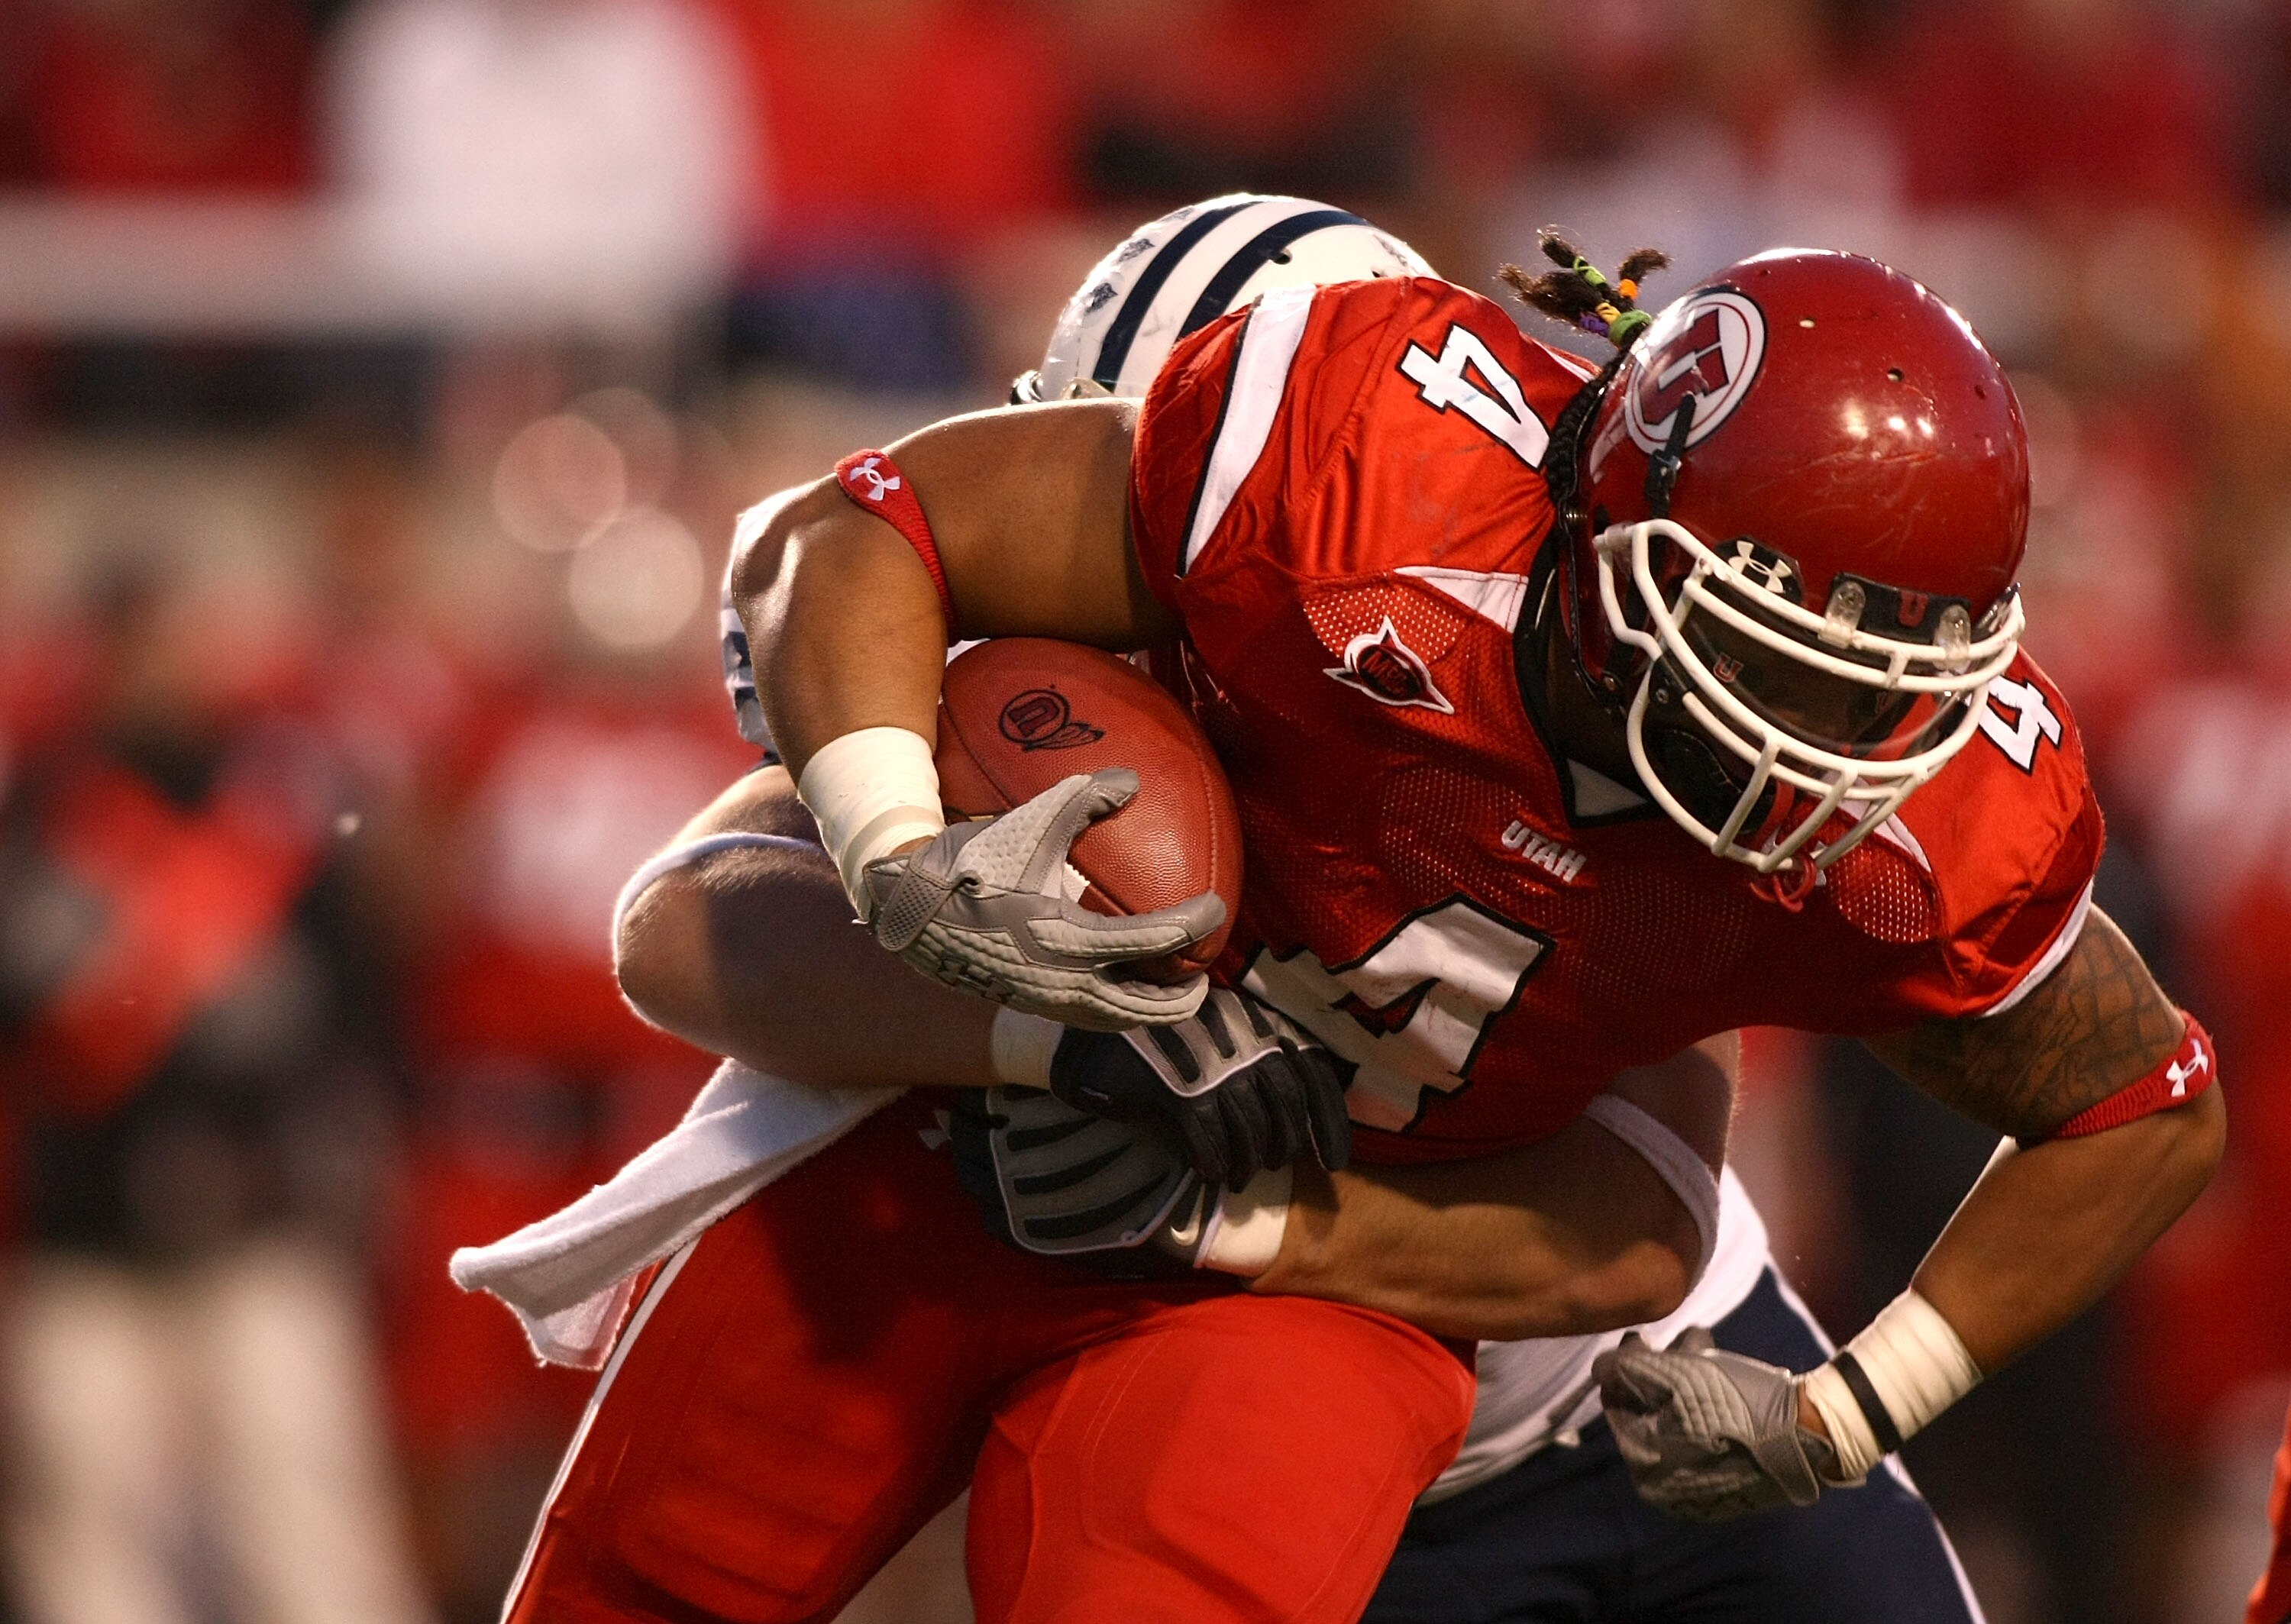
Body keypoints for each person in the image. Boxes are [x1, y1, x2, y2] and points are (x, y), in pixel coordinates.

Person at [489, 199, 2224, 1621]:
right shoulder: (1109, 618)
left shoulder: (1835, 798)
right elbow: (701, 903)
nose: (1828, 737)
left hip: (1485, 1351)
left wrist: (1853, 1401)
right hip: (1068, 1237)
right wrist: (988, 962)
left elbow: (1653, 1214)